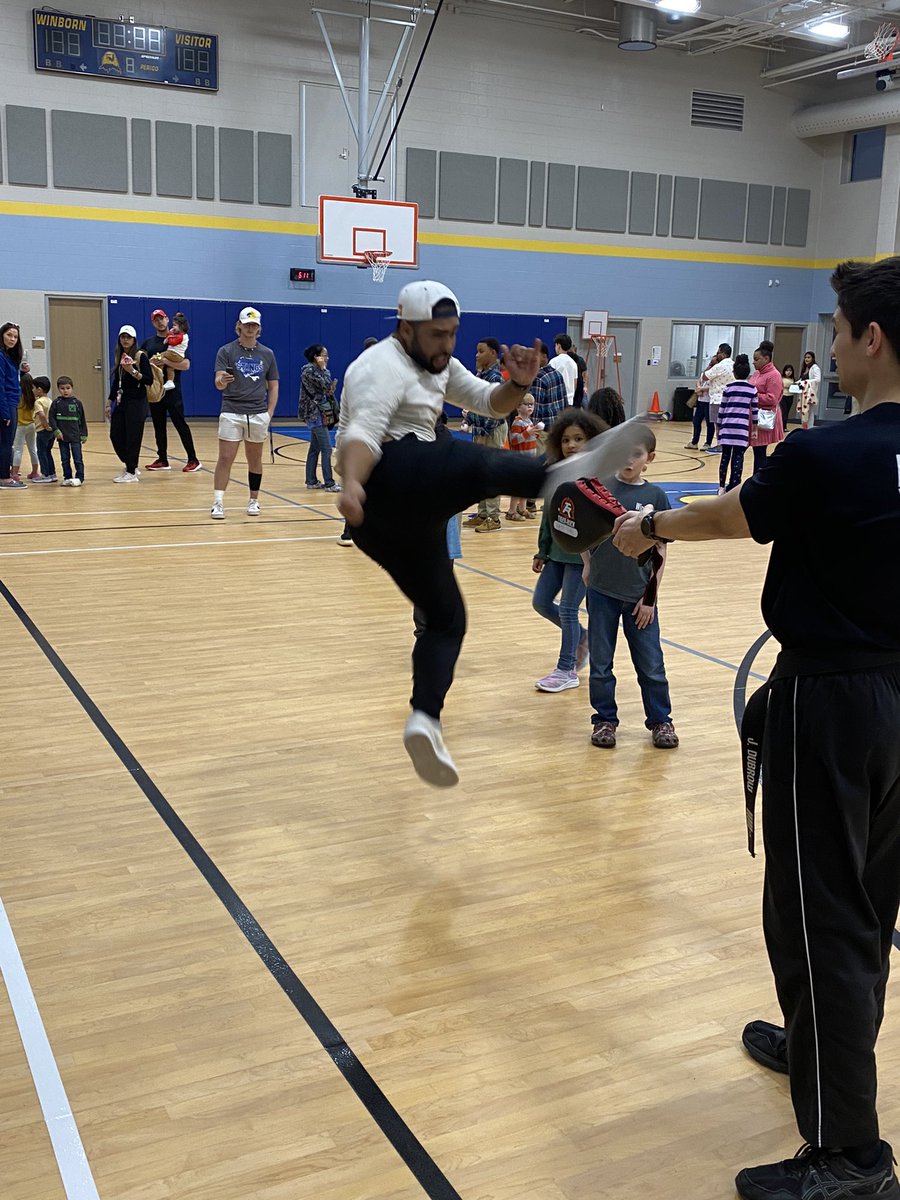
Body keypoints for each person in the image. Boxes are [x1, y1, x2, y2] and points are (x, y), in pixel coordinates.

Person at [611, 255, 900, 1200]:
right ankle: (826, 1050)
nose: (829, 341)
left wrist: (649, 528)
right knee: (866, 903)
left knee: (823, 913)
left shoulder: (827, 454)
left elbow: (738, 514)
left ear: (874, 339)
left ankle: (851, 1154)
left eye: (837, 326)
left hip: (837, 701)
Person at [336, 279, 639, 788]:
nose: (447, 345)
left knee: (446, 618)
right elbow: (361, 433)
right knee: (463, 458)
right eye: (437, 335)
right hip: (383, 484)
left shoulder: (436, 363)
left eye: (453, 334)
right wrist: (350, 482)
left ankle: (424, 720)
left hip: (398, 523)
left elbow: (486, 401)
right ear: (405, 327)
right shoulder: (377, 367)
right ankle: (557, 476)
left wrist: (517, 385)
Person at [584, 426, 678, 750]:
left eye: (636, 453)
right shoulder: (601, 490)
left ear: (648, 459)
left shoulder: (656, 498)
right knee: (600, 662)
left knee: (651, 664)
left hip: (641, 598)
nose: (628, 459)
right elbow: (584, 533)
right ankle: (604, 720)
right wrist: (586, 564)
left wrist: (651, 598)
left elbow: (662, 550)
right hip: (601, 593)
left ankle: (661, 721)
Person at [532, 410, 605, 692]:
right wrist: (542, 551)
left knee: (567, 611)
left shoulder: (597, 479)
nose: (571, 445)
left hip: (581, 558)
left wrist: (591, 560)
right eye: (565, 440)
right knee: (540, 602)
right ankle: (581, 637)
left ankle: (566, 669)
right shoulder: (557, 472)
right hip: (556, 555)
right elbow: (548, 517)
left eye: (579, 439)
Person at [211, 306, 279, 520]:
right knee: (225, 458)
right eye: (246, 324)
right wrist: (222, 381)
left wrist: (269, 413)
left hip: (257, 414)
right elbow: (218, 382)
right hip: (232, 412)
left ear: (259, 328)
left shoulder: (267, 354)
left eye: (254, 325)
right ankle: (218, 502)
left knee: (255, 459)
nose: (250, 328)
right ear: (238, 326)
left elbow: (274, 385)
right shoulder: (226, 351)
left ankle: (254, 500)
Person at [141, 307, 201, 473]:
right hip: (155, 391)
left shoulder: (178, 339)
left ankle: (193, 459)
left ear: (167, 320)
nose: (160, 322)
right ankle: (162, 459)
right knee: (158, 426)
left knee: (180, 423)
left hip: (173, 391)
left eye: (162, 318)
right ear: (153, 322)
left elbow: (186, 365)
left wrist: (166, 363)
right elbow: (142, 362)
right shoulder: (148, 343)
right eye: (156, 319)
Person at [463, 337, 507, 533]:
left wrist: (471, 416)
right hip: (481, 429)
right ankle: (482, 513)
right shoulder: (482, 374)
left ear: (493, 353)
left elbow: (493, 412)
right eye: (476, 351)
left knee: (491, 473)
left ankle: (493, 517)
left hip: (491, 429)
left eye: (481, 351)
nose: (477, 355)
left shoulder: (495, 378)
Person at [107, 325, 153, 483]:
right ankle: (130, 464)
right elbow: (117, 383)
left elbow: (149, 380)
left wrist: (132, 370)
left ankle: (131, 471)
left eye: (128, 337)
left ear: (134, 340)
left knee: (133, 436)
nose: (125, 340)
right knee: (115, 435)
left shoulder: (141, 356)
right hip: (123, 402)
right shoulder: (120, 356)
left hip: (137, 402)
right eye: (123, 337)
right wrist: (109, 402)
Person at [299, 344, 341, 492]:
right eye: (324, 355)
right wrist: (324, 369)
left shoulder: (316, 371)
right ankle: (329, 483)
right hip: (313, 413)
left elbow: (328, 389)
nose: (327, 358)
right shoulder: (309, 371)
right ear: (316, 357)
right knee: (326, 449)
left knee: (314, 448)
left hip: (319, 413)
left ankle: (311, 480)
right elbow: (325, 386)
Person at [716, 354, 758, 493]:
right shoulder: (752, 389)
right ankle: (734, 486)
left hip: (727, 427)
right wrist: (754, 430)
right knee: (738, 458)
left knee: (725, 457)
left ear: (734, 372)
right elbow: (755, 412)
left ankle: (721, 487)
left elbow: (721, 410)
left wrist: (718, 427)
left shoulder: (728, 388)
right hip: (742, 429)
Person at [749, 339, 784, 473]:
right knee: (756, 450)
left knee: (760, 451)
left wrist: (752, 396)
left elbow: (772, 399)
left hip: (764, 417)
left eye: (756, 359)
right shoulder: (757, 373)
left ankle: (757, 479)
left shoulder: (774, 375)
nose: (754, 362)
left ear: (766, 358)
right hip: (753, 416)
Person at [49, 375, 88, 486]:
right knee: (65, 459)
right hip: (62, 437)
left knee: (78, 458)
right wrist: (56, 431)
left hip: (75, 436)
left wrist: (84, 434)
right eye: (62, 388)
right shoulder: (56, 403)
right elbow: (51, 418)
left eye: (67, 388)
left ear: (72, 388)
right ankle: (67, 477)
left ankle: (80, 477)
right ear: (58, 389)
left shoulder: (77, 403)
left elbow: (82, 420)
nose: (65, 391)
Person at [505, 392, 539, 520]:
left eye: (532, 405)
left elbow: (530, 437)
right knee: (517, 487)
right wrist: (527, 432)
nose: (530, 407)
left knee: (526, 486)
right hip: (519, 459)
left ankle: (522, 508)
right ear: (518, 407)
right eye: (526, 404)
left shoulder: (529, 421)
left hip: (529, 458)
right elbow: (514, 440)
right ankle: (511, 511)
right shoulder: (517, 422)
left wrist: (535, 433)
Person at [0, 321, 25, 488]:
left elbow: (11, 380)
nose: (12, 339)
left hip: (11, 401)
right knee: (6, 442)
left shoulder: (10, 356)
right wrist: (4, 411)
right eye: (9, 335)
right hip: (6, 403)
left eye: (15, 336)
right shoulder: (1, 356)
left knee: (6, 441)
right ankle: (4, 478)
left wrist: (21, 372)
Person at [701, 342, 735, 452]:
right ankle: (728, 445)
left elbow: (705, 377)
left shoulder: (720, 366)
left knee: (718, 424)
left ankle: (721, 445)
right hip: (731, 399)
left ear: (723, 354)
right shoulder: (734, 365)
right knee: (728, 424)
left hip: (717, 399)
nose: (717, 355)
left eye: (718, 352)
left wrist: (711, 365)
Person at [11, 373, 41, 482]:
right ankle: (35, 471)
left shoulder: (18, 396)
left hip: (19, 426)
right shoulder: (34, 396)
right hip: (31, 425)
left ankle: (14, 473)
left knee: (18, 450)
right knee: (33, 448)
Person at [31, 376, 57, 483]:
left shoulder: (38, 402)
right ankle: (52, 473)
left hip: (43, 430)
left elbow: (41, 414)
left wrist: (45, 426)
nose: (32, 390)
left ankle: (45, 474)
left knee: (41, 452)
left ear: (39, 389)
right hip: (51, 431)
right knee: (48, 451)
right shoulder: (49, 400)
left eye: (33, 388)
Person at [159, 311, 190, 392]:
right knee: (170, 368)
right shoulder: (179, 335)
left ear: (181, 326)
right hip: (175, 356)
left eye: (175, 325)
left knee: (160, 356)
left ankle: (159, 372)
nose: (173, 327)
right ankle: (170, 381)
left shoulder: (181, 336)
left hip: (175, 354)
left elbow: (172, 342)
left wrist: (169, 334)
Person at [549, 332, 578, 405]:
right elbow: (575, 383)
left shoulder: (553, 362)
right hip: (570, 400)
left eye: (555, 345)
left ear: (558, 346)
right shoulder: (573, 363)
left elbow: (549, 381)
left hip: (557, 400)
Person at [798, 349, 822, 429]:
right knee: (803, 411)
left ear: (813, 358)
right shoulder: (805, 368)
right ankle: (804, 427)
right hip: (803, 393)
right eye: (805, 357)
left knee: (809, 411)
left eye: (809, 357)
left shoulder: (815, 368)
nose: (806, 359)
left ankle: (810, 428)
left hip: (809, 394)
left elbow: (818, 379)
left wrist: (806, 382)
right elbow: (802, 379)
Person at [780, 362, 797, 429]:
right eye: (787, 370)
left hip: (790, 396)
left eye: (790, 370)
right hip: (783, 396)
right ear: (784, 371)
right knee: (784, 412)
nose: (788, 372)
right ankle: (782, 427)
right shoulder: (781, 378)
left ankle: (784, 426)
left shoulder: (793, 379)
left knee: (787, 412)